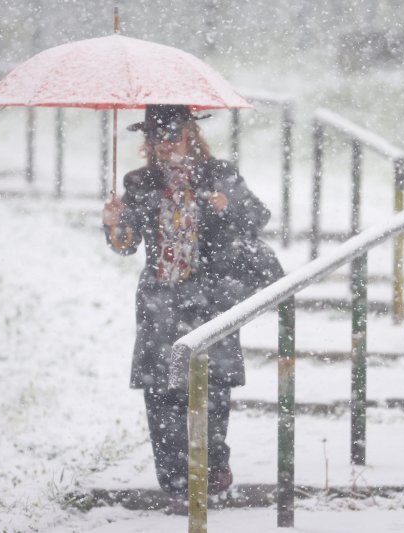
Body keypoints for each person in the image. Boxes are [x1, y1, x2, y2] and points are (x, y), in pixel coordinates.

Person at [101, 104, 282, 504]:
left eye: (172, 136)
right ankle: (174, 480)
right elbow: (127, 245)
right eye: (156, 138)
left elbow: (257, 216)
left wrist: (226, 207)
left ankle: (212, 469)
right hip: (159, 301)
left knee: (213, 386)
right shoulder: (140, 182)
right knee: (161, 389)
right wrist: (114, 224)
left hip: (211, 298)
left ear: (189, 135)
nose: (164, 145)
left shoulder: (220, 174)